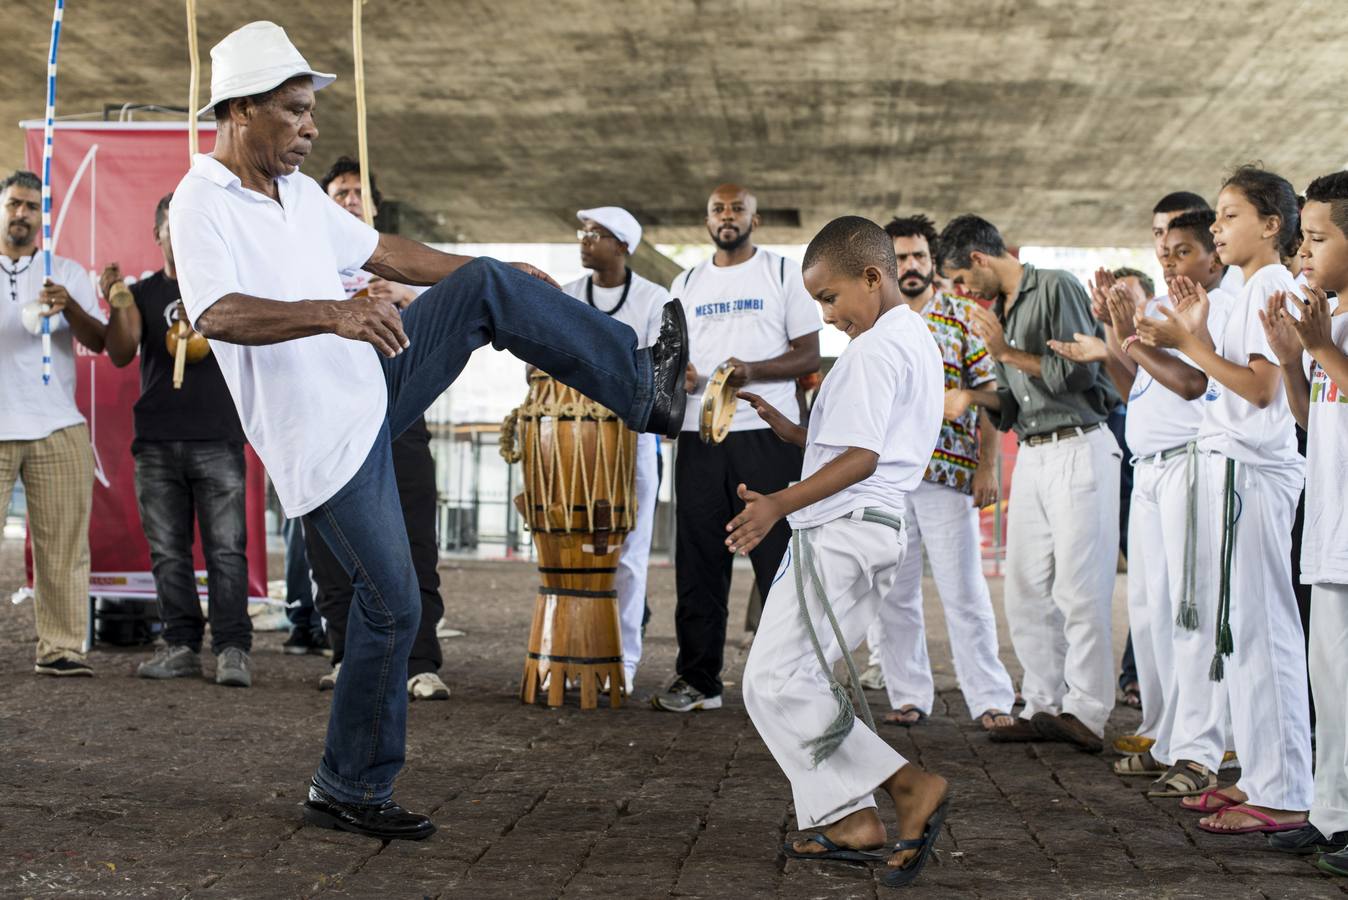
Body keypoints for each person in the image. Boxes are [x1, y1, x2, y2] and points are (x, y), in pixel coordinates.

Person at [170, 21, 687, 841]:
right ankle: (349, 787)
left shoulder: (298, 195)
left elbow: (388, 253)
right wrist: (333, 313)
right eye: (296, 112)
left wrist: (489, 271)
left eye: (311, 113)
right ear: (239, 110)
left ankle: (642, 389)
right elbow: (217, 314)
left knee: (485, 283)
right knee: (394, 611)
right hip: (324, 446)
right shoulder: (202, 201)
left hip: (376, 388)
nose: (310, 128)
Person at [737, 215, 948, 888]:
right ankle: (850, 818)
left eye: (830, 299)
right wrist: (797, 432)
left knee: (771, 680)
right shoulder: (912, 338)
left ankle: (908, 787)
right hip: (874, 527)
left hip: (844, 529)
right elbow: (866, 446)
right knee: (796, 679)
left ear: (871, 276)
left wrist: (777, 504)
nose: (827, 317)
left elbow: (861, 457)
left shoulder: (874, 350)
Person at [1135, 165, 1310, 834]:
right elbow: (1224, 379)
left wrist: (1187, 343)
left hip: (1252, 471)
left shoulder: (1272, 284)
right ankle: (1263, 774)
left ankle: (1286, 788)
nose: (1216, 227)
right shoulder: (1243, 285)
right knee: (1237, 636)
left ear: (1271, 225)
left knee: (1264, 634)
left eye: (1230, 215)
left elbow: (1262, 390)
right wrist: (1194, 335)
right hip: (1227, 465)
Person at [1052, 208, 1236, 796]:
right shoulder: (1165, 313)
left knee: (1189, 610)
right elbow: (1137, 387)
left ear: (1214, 255)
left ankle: (1199, 746)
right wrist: (1117, 333)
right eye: (1162, 245)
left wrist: (1128, 333)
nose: (1166, 256)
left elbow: (1191, 384)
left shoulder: (1211, 311)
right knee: (1153, 610)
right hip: (1151, 470)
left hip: (1188, 466)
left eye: (1181, 249)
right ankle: (1167, 734)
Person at [939, 214, 1121, 753]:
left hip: (1080, 446)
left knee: (1079, 590)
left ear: (978, 260)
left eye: (960, 280)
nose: (961, 292)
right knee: (1024, 588)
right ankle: (1043, 704)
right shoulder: (1004, 310)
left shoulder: (1055, 286)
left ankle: (1087, 712)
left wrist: (1003, 354)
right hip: (1038, 454)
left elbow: (1078, 374)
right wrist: (973, 396)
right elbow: (1014, 403)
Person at [651, 183, 820, 713]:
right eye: (718, 210)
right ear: (707, 220)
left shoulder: (782, 272)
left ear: (756, 218)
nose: (727, 217)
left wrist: (750, 370)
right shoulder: (686, 281)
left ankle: (796, 683)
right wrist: (686, 377)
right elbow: (677, 359)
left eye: (737, 209)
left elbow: (809, 355)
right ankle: (699, 681)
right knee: (699, 561)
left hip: (769, 435)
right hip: (704, 436)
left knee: (779, 560)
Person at [303, 156, 450, 702]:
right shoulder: (309, 257)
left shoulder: (398, 261)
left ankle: (421, 660)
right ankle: (347, 654)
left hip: (398, 410)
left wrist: (404, 297)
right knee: (331, 542)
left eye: (357, 193)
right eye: (339, 193)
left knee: (415, 535)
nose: (348, 201)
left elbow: (440, 327)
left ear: (375, 205)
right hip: (331, 413)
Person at [862, 214, 1015, 731]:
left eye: (918, 256)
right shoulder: (872, 323)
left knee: (965, 590)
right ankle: (908, 694)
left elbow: (992, 395)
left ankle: (990, 697)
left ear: (933, 261)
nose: (910, 266)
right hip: (886, 477)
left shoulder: (963, 317)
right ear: (887, 263)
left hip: (950, 477)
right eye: (900, 257)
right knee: (893, 594)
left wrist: (987, 466)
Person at [102, 193, 253, 686]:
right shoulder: (144, 293)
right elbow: (121, 353)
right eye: (172, 225)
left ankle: (233, 650)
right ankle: (182, 645)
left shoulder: (228, 291)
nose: (182, 233)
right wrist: (117, 299)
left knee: (226, 551)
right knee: (168, 551)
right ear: (157, 233)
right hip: (157, 441)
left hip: (219, 436)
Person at [1260, 170, 1348, 867]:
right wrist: (1295, 361)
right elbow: (1308, 422)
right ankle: (1331, 814)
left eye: (1318, 238)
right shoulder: (1333, 319)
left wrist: (1317, 349)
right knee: (1332, 683)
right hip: (1328, 528)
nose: (1303, 254)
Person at [0, 169, 107, 677]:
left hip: (57, 424)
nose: (21, 214)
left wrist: (68, 305)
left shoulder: (64, 269)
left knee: (63, 544)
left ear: (42, 217)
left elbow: (101, 340)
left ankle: (61, 648)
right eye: (13, 204)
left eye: (30, 207)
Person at [561, 206, 667, 694]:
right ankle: (575, 652)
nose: (585, 240)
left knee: (628, 555)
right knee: (575, 551)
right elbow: (536, 366)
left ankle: (622, 663)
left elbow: (664, 374)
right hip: (572, 446)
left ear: (623, 246)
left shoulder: (653, 299)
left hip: (634, 444)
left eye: (596, 234)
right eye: (583, 232)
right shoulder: (564, 296)